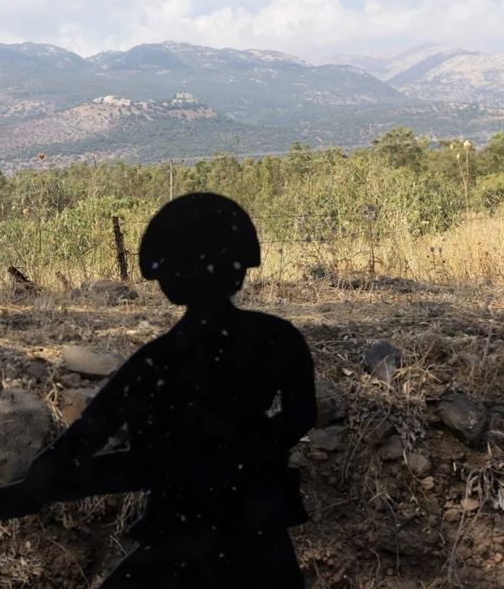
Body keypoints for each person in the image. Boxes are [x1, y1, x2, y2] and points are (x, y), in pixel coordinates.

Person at [26, 192, 316, 588]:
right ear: (240, 268)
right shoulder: (277, 338)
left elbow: (88, 433)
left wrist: (42, 476)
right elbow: (302, 415)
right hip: (256, 529)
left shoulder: (157, 360)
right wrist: (251, 448)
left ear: (168, 279)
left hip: (187, 534)